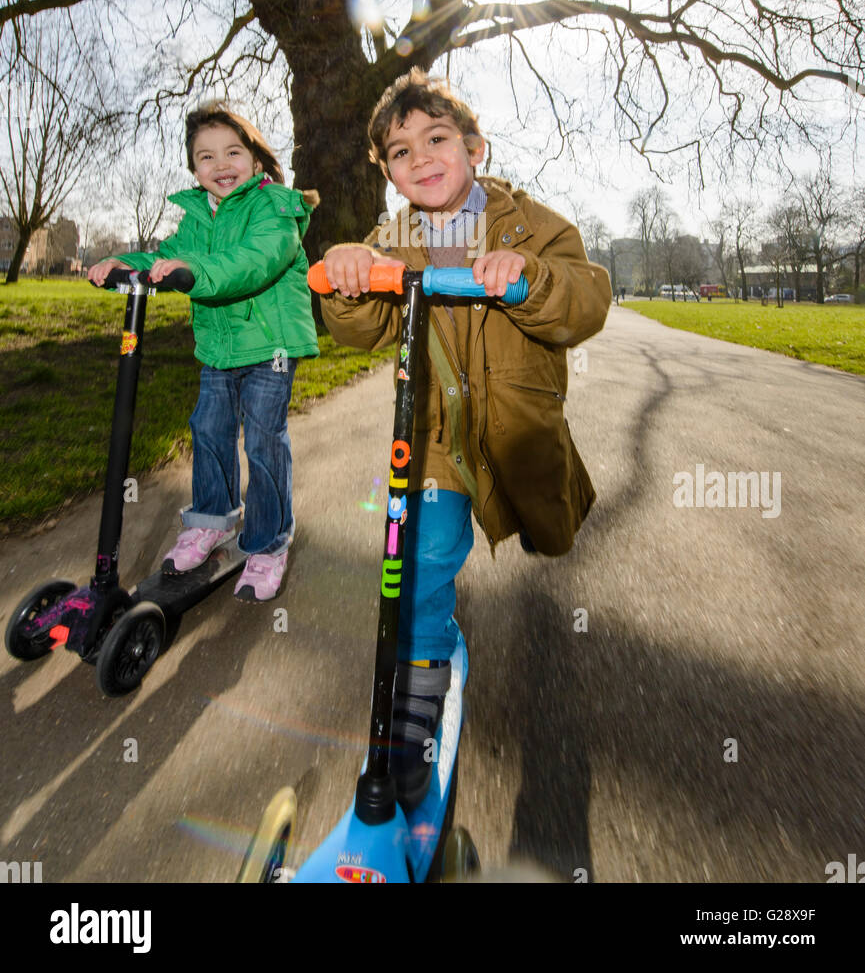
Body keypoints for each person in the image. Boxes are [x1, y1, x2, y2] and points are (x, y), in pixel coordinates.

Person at [319, 68, 611, 807]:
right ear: (387, 171)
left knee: (544, 526)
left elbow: (585, 301)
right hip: (434, 433)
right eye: (398, 152)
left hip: (513, 423)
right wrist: (352, 282)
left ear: (474, 146)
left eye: (435, 139)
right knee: (418, 554)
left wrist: (529, 277)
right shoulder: (391, 239)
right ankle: (420, 678)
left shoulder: (530, 224)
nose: (418, 158)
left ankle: (538, 513)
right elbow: (363, 328)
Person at [88, 102, 319, 602]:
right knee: (209, 430)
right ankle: (212, 520)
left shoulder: (275, 206)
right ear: (195, 169)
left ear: (256, 160)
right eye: (206, 157)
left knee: (262, 439)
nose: (221, 165)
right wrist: (120, 262)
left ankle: (268, 542)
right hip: (218, 348)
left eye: (233, 152)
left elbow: (255, 261)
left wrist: (196, 275)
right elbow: (163, 255)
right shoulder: (196, 218)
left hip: (270, 346)